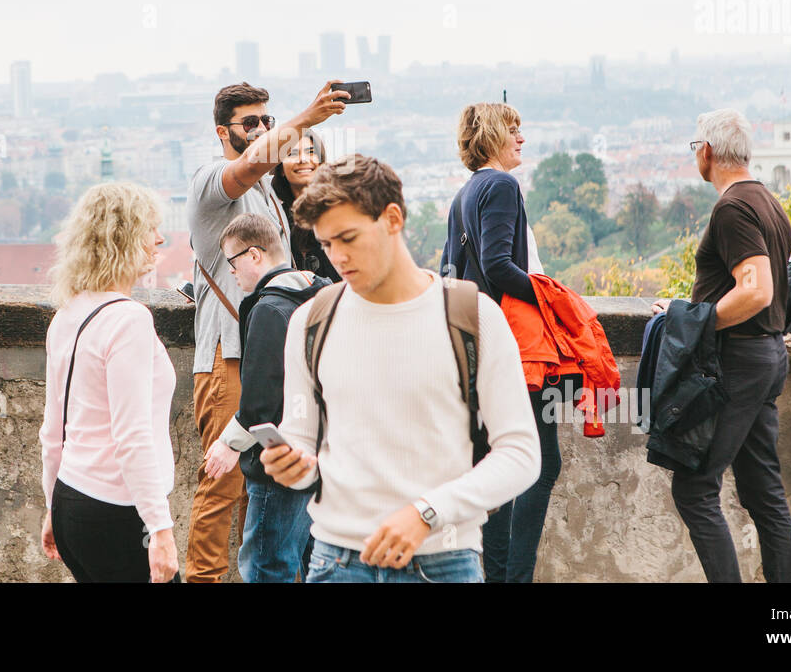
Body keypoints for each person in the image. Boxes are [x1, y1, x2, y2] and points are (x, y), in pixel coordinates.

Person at [263, 154, 542, 583]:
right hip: (336, 561)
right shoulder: (310, 321)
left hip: (443, 559)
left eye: (349, 238)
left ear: (393, 218)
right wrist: (293, 464)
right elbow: (302, 437)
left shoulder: (471, 316)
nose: (337, 256)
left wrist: (427, 513)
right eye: (326, 244)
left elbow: (522, 454)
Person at [184, 80, 348, 581]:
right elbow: (249, 163)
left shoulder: (269, 197)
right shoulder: (214, 181)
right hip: (228, 353)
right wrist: (308, 118)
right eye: (248, 122)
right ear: (222, 131)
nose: (260, 130)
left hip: (269, 354)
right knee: (221, 485)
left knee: (264, 486)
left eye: (265, 121)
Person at [651, 109, 791, 583]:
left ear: (707, 152)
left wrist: (695, 320)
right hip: (767, 355)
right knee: (763, 494)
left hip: (738, 360)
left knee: (694, 489)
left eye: (695, 147)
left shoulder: (732, 207)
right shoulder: (768, 201)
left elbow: (756, 290)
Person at [440, 101, 558, 583]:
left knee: (496, 462)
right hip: (513, 345)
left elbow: (455, 271)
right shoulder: (503, 185)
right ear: (492, 135)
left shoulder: (465, 194)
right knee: (540, 462)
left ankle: (497, 573)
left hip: (477, 346)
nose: (521, 139)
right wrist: (555, 298)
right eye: (514, 130)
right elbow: (498, 267)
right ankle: (515, 576)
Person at [38, 182, 179, 583]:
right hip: (117, 510)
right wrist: (161, 530)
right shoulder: (129, 319)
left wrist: (53, 507)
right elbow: (132, 435)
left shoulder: (67, 313)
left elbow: (52, 430)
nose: (160, 238)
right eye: (150, 227)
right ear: (124, 237)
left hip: (72, 498)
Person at [202, 213, 331, 581]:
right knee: (313, 564)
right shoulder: (322, 294)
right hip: (322, 454)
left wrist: (229, 444)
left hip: (278, 460)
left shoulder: (269, 309)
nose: (231, 272)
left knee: (265, 565)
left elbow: (261, 398)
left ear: (254, 255)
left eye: (232, 262)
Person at [271, 129, 341, 282]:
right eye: (292, 154)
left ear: (321, 161)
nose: (303, 159)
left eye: (310, 151)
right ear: (281, 168)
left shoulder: (339, 207)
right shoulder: (273, 215)